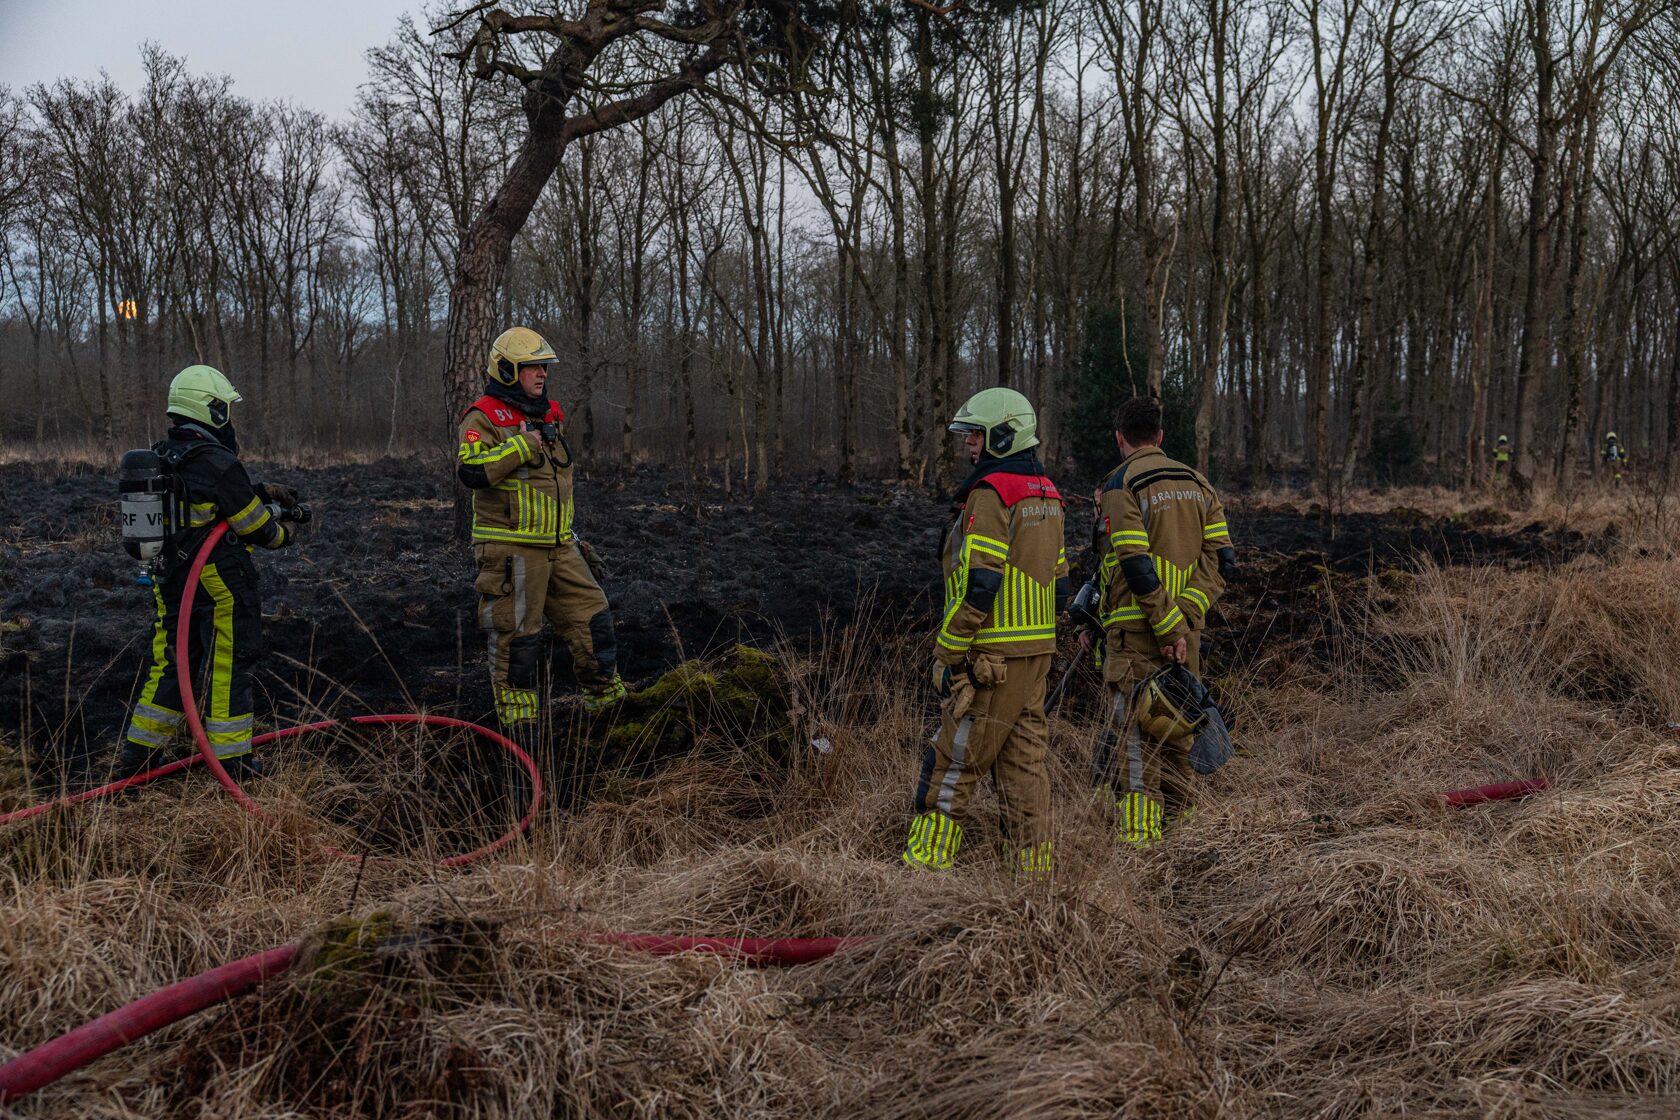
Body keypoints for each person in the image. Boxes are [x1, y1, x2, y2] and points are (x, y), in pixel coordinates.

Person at [903, 388, 1070, 876]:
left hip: (990, 660)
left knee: (953, 761)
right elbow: (1060, 582)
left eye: (976, 434)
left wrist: (948, 650)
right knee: (1024, 767)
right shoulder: (1047, 491)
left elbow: (982, 581)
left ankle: (924, 866)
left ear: (1003, 434)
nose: (969, 443)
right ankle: (1033, 875)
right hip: (1036, 654)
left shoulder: (992, 491)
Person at [112, 365, 301, 780]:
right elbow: (257, 528)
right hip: (220, 585)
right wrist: (286, 531)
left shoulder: (161, 456)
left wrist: (260, 492)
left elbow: (200, 504)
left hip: (170, 581)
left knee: (172, 664)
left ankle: (137, 757)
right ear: (213, 410)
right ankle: (232, 762)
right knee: (230, 664)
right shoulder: (219, 461)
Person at [456, 327, 625, 763]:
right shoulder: (482, 416)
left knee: (594, 619)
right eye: (532, 367)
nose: (542, 374)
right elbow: (471, 472)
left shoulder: (551, 412)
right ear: (507, 370)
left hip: (559, 545)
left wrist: (570, 536)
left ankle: (609, 709)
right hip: (511, 549)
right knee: (518, 640)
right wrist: (519, 445)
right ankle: (520, 731)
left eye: (544, 367)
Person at [1093, 396, 1234, 845]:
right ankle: (1182, 838)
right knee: (1178, 734)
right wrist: (1186, 617)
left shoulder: (1120, 483)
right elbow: (1223, 560)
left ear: (1119, 439)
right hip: (1185, 637)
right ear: (1160, 436)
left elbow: (1133, 562)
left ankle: (1140, 843)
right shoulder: (1199, 483)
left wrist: (1167, 623)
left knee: (1134, 742)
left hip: (1137, 635)